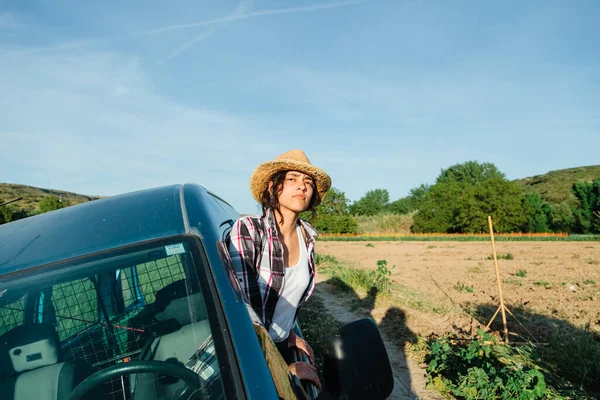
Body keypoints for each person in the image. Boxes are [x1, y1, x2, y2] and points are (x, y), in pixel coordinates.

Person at [229, 149, 331, 389]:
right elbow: (240, 314)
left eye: (308, 182)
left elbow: (288, 299)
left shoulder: (307, 238)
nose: (302, 187)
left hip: (280, 347)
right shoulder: (249, 231)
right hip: (248, 358)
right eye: (292, 179)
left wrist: (290, 332)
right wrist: (282, 370)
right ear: (273, 186)